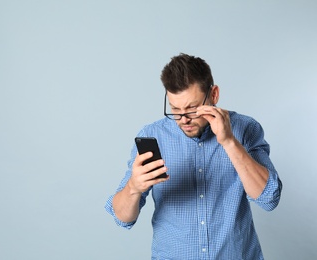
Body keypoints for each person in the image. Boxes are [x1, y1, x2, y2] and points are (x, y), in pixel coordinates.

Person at [105, 53, 282, 259]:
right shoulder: (152, 136)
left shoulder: (245, 128)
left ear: (214, 95)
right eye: (175, 109)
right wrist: (134, 187)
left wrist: (229, 142)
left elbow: (269, 198)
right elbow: (122, 218)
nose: (183, 119)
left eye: (192, 108)